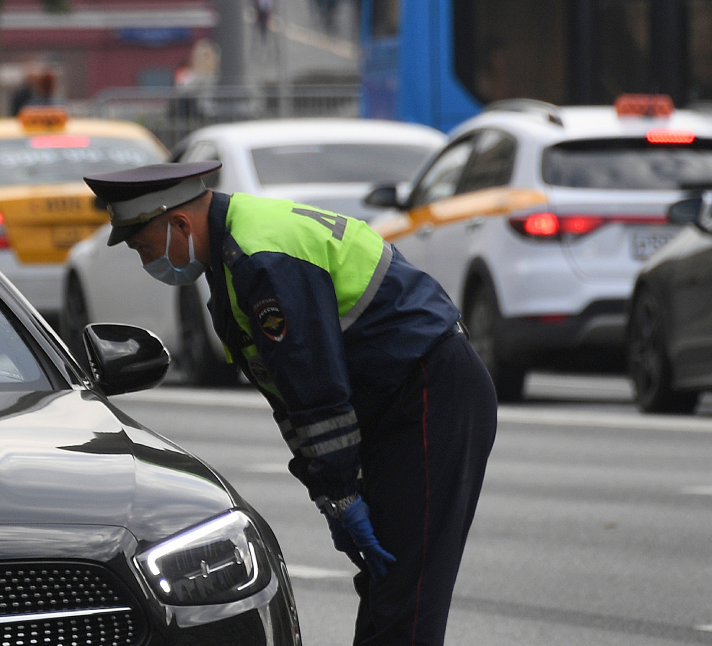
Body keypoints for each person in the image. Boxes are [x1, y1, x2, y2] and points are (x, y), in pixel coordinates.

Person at [84, 162, 498, 645]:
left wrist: (343, 494)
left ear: (179, 224)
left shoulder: (261, 259)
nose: (145, 260)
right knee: (389, 586)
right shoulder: (232, 254)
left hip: (429, 392)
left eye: (143, 246)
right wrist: (331, 497)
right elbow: (288, 394)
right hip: (394, 397)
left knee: (408, 590)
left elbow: (315, 392)